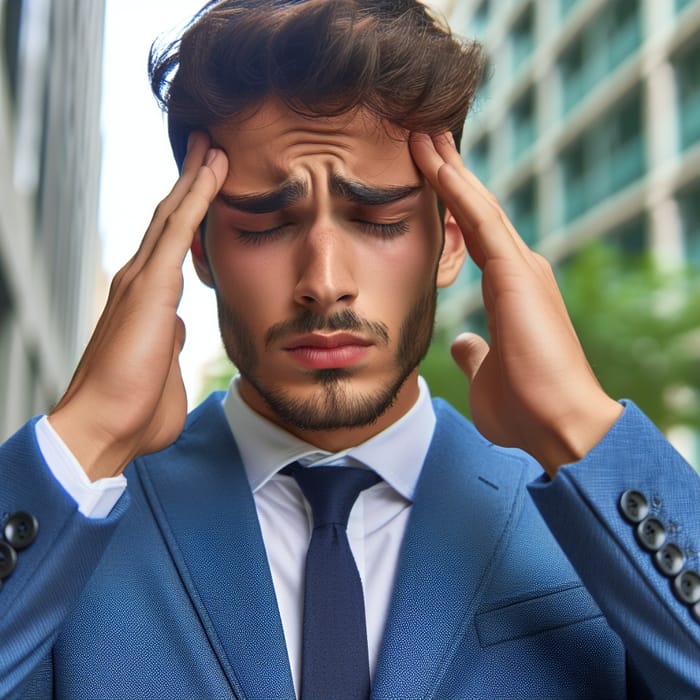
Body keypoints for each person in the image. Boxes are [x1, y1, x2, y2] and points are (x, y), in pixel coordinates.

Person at [1, 1, 699, 697]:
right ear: (197, 249)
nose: (324, 284)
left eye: (379, 220)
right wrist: (87, 434)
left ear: (454, 238)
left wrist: (581, 424)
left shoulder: (602, 521)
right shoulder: (71, 527)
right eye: (266, 224)